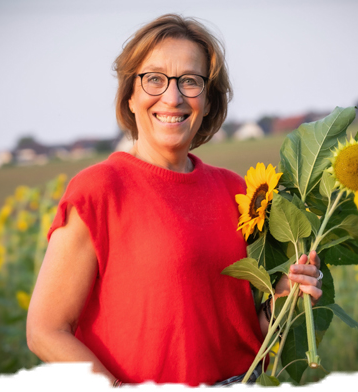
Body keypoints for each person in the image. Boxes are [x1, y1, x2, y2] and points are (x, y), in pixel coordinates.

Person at [25, 14, 323, 387]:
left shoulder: (241, 195)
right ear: (130, 97)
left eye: (190, 81)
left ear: (209, 102)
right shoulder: (98, 191)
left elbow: (246, 332)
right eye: (154, 79)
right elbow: (45, 331)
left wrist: (288, 297)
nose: (173, 96)